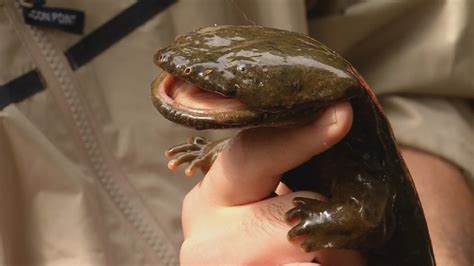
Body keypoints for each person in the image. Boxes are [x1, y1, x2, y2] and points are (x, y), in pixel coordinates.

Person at [0, 0, 471, 265]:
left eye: (235, 73)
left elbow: (419, 69)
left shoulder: (343, 127)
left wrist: (445, 256)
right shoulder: (303, 110)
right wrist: (219, 152)